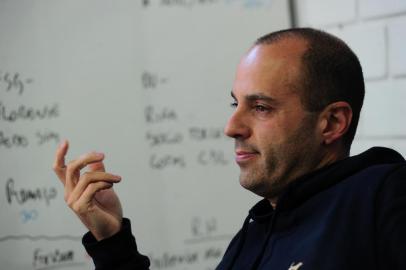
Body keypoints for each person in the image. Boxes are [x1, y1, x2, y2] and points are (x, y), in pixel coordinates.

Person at [53, 28, 406, 270]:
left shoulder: (384, 196)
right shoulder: (253, 234)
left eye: (261, 107)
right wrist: (111, 239)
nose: (231, 127)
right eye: (234, 104)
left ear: (331, 123)